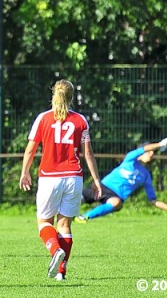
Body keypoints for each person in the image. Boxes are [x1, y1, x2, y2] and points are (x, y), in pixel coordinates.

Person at [19, 79, 103, 281]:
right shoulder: (81, 120)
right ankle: (61, 273)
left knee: (44, 223)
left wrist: (25, 172)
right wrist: (97, 180)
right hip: (74, 177)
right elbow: (88, 153)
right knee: (64, 225)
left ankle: (55, 250)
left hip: (50, 177)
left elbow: (31, 149)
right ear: (71, 97)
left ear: (53, 95)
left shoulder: (43, 118)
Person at [74, 139, 167, 224]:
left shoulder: (145, 175)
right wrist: (160, 145)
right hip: (103, 187)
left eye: (153, 153)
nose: (151, 154)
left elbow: (153, 200)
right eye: (150, 151)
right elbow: (145, 148)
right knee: (75, 201)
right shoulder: (130, 158)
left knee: (116, 203)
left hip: (115, 196)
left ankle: (84, 217)